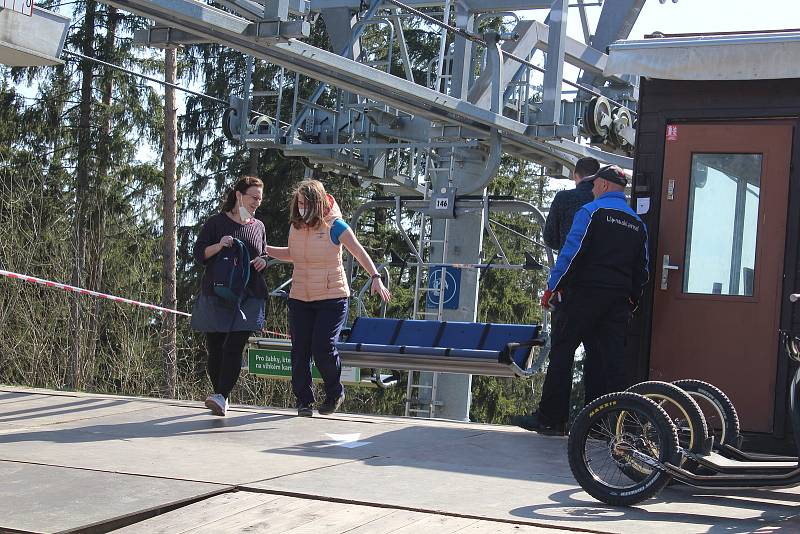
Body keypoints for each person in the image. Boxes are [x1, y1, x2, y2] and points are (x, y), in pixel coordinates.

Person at [515, 165, 649, 435]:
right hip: (617, 301)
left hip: (584, 295)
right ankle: (602, 426)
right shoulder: (637, 223)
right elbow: (641, 270)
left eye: (596, 185)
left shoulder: (591, 212)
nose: (594, 189)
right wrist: (631, 301)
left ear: (604, 186)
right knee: (607, 360)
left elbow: (571, 253)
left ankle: (551, 419)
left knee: (563, 351)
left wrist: (552, 288)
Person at [265, 179, 391, 417]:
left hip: (332, 297)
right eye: (298, 202)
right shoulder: (296, 226)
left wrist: (375, 276)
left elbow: (358, 251)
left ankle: (335, 393)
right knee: (300, 350)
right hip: (300, 296)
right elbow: (293, 255)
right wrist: (265, 247)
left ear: (316, 202)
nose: (300, 206)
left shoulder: (335, 225)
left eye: (304, 203)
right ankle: (304, 401)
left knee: (323, 346)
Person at [516, 158, 603, 432]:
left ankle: (552, 418)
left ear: (576, 175)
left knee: (562, 353)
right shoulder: (607, 201)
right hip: (603, 290)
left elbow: (552, 239)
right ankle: (597, 421)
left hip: (570, 286)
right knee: (598, 357)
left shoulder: (565, 199)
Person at [191, 175, 269, 416]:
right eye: (253, 197)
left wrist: (262, 260)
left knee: (235, 345)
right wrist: (220, 245)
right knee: (215, 347)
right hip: (218, 293)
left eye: (260, 199)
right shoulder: (216, 223)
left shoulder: (258, 226)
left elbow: (264, 253)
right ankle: (221, 395)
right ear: (238, 195)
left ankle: (221, 395)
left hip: (250, 296)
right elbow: (199, 253)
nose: (257, 202)